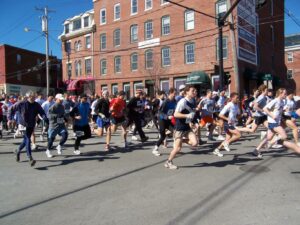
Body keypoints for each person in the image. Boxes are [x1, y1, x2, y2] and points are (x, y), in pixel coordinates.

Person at [254, 88, 300, 157]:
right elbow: (265, 109)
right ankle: (276, 141)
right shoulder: (275, 101)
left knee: (268, 138)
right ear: (280, 94)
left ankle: (256, 150)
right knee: (284, 136)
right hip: (273, 122)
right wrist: (272, 115)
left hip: (277, 122)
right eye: (285, 94)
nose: (286, 95)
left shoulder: (282, 101)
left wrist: (284, 111)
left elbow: (279, 110)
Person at [8, 90, 47, 166]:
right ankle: (30, 158)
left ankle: (17, 151)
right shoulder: (21, 103)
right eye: (32, 96)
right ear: (28, 97)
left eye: (34, 96)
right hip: (22, 124)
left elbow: (42, 112)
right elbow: (11, 109)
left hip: (31, 124)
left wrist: (44, 117)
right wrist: (9, 119)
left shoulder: (36, 104)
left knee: (26, 140)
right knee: (28, 139)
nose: (33, 98)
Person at [164, 85, 198, 169]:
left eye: (195, 91)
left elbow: (191, 113)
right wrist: (187, 116)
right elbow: (175, 114)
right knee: (178, 149)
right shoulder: (182, 101)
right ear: (186, 92)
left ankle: (180, 140)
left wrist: (191, 122)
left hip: (187, 127)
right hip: (179, 127)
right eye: (192, 91)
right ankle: (168, 162)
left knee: (195, 143)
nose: (195, 92)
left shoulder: (193, 101)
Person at [213, 92, 241, 157]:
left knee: (227, 138)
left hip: (232, 123)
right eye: (236, 98)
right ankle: (226, 143)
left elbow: (237, 116)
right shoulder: (229, 105)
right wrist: (228, 119)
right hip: (227, 123)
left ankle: (217, 150)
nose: (237, 99)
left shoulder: (236, 105)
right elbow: (220, 115)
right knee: (238, 134)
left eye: (238, 98)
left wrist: (240, 116)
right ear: (232, 98)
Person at [152, 88, 177, 156]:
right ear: (170, 93)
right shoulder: (166, 101)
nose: (175, 95)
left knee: (175, 130)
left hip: (168, 120)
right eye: (174, 93)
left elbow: (174, 110)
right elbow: (160, 112)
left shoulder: (175, 101)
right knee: (162, 136)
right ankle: (155, 149)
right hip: (162, 120)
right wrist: (167, 116)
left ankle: (175, 148)